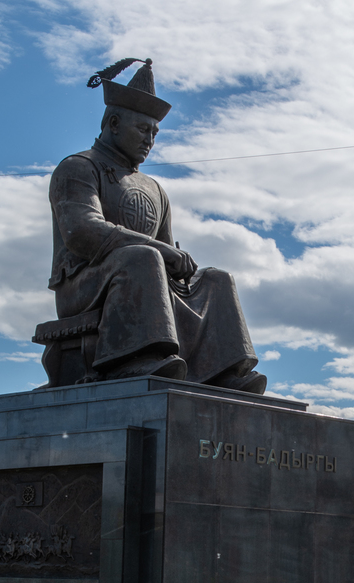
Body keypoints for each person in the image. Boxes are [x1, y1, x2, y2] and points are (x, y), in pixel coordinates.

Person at [46, 58, 266, 392]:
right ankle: (130, 361)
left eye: (155, 133)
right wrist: (158, 250)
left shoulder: (155, 189)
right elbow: (82, 232)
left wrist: (179, 264)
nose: (150, 140)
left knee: (216, 279)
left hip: (143, 276)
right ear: (114, 123)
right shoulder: (78, 167)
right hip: (85, 285)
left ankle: (221, 369)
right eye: (143, 129)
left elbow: (167, 254)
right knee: (143, 257)